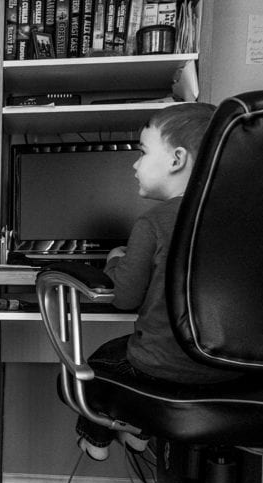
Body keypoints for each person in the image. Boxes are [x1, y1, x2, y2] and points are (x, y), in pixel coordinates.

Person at [76, 102, 241, 462]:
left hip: (164, 370)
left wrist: (116, 260)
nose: (135, 164)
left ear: (177, 159)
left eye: (143, 151)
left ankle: (98, 439)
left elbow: (124, 297)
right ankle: (139, 430)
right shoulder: (245, 219)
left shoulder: (153, 223)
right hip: (233, 373)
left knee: (102, 363)